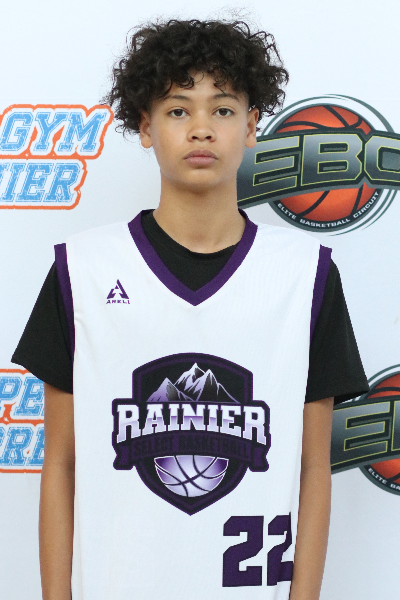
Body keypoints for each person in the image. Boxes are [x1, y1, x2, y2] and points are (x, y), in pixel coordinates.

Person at [12, 18, 369, 600]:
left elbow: (312, 469)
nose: (201, 128)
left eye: (222, 109)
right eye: (178, 110)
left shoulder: (305, 274)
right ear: (144, 126)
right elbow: (61, 466)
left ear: (250, 126)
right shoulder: (83, 269)